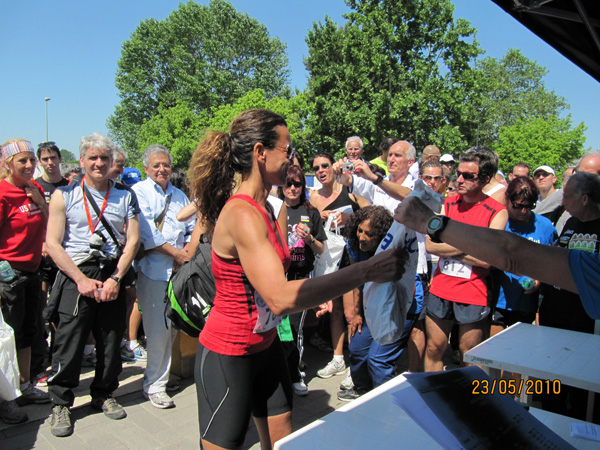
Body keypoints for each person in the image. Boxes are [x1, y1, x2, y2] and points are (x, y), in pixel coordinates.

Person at [188, 109, 406, 450]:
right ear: (261, 152)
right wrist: (366, 271)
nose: (293, 158)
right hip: (230, 351)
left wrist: (316, 294)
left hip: (267, 343)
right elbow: (278, 296)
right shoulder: (243, 212)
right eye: (286, 149)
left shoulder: (270, 207)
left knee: (285, 442)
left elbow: (280, 280)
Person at [45, 133, 140, 437]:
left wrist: (116, 278)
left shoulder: (125, 195)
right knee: (69, 342)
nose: (99, 163)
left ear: (113, 161)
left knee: (111, 340)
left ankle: (104, 393)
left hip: (112, 271)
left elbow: (133, 240)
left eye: (105, 158)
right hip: (77, 273)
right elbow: (52, 243)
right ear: (83, 160)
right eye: (93, 157)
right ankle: (61, 403)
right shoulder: (65, 195)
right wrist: (80, 279)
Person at [393, 196, 600, 321]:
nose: (562, 202)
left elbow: (507, 252)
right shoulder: (572, 223)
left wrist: (433, 223)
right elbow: (431, 246)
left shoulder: (499, 212)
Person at [423, 148, 508, 372]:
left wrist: (449, 244)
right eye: (458, 173)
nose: (459, 179)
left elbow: (487, 260)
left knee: (470, 356)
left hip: (473, 292)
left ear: (485, 179)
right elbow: (430, 245)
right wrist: (471, 247)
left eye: (468, 176)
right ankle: (432, 400)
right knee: (434, 348)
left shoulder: (496, 211)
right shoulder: (447, 204)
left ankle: (472, 405)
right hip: (440, 288)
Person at [132, 145, 194, 409]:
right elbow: (148, 234)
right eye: (156, 165)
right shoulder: (139, 193)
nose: (162, 169)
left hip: (180, 271)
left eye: (165, 164)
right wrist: (177, 255)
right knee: (157, 330)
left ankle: (162, 376)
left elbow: (192, 228)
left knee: (173, 328)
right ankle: (154, 386)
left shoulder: (180, 195)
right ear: (146, 168)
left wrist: (187, 254)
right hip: (154, 271)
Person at [538, 172, 600, 419]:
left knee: (580, 392)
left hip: (585, 325)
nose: (562, 202)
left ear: (585, 199)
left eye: (567, 196)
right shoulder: (571, 223)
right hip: (555, 318)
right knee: (551, 385)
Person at [0, 139, 50, 424]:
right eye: (23, 161)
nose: (30, 166)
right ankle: (6, 397)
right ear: (8, 164)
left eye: (32, 160)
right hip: (9, 276)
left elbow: (50, 224)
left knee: (30, 330)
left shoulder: (35, 189)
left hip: (32, 272)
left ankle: (24, 384)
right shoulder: (3, 192)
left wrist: (40, 202)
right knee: (8, 335)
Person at [309, 152, 365, 380]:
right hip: (328, 259)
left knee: (352, 313)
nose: (321, 170)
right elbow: (305, 226)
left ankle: (357, 362)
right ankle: (338, 359)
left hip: (350, 257)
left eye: (324, 165)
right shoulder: (312, 198)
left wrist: (350, 219)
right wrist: (317, 217)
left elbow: (373, 213)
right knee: (335, 312)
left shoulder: (349, 190)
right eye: (316, 168)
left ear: (334, 166)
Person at [336, 206, 399, 401]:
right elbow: (357, 282)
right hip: (368, 306)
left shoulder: (391, 251)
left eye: (369, 234)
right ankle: (362, 390)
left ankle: (385, 400)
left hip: (393, 308)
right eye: (360, 230)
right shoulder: (354, 245)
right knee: (357, 347)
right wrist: (356, 313)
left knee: (377, 359)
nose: (362, 237)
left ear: (380, 236)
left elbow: (401, 291)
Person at [276, 165, 326, 396]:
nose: (293, 188)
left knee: (295, 330)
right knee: (277, 329)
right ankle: (279, 373)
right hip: (277, 277)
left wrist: (309, 239)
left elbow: (321, 249)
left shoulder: (311, 212)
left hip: (301, 277)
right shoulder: (274, 209)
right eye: (289, 184)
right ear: (281, 187)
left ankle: (295, 374)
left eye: (297, 184)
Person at [492, 177, 557, 336]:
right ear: (507, 200)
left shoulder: (545, 226)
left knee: (518, 353)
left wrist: (540, 280)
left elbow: (552, 261)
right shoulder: (498, 221)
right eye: (518, 206)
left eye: (529, 206)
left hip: (525, 304)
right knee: (492, 352)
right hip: (497, 299)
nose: (523, 211)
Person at [33, 141, 69, 385]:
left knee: (59, 312)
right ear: (40, 162)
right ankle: (39, 361)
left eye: (53, 157)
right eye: (45, 159)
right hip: (41, 259)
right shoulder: (34, 186)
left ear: (59, 159)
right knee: (39, 312)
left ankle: (59, 357)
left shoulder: (70, 186)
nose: (50, 162)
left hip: (64, 259)